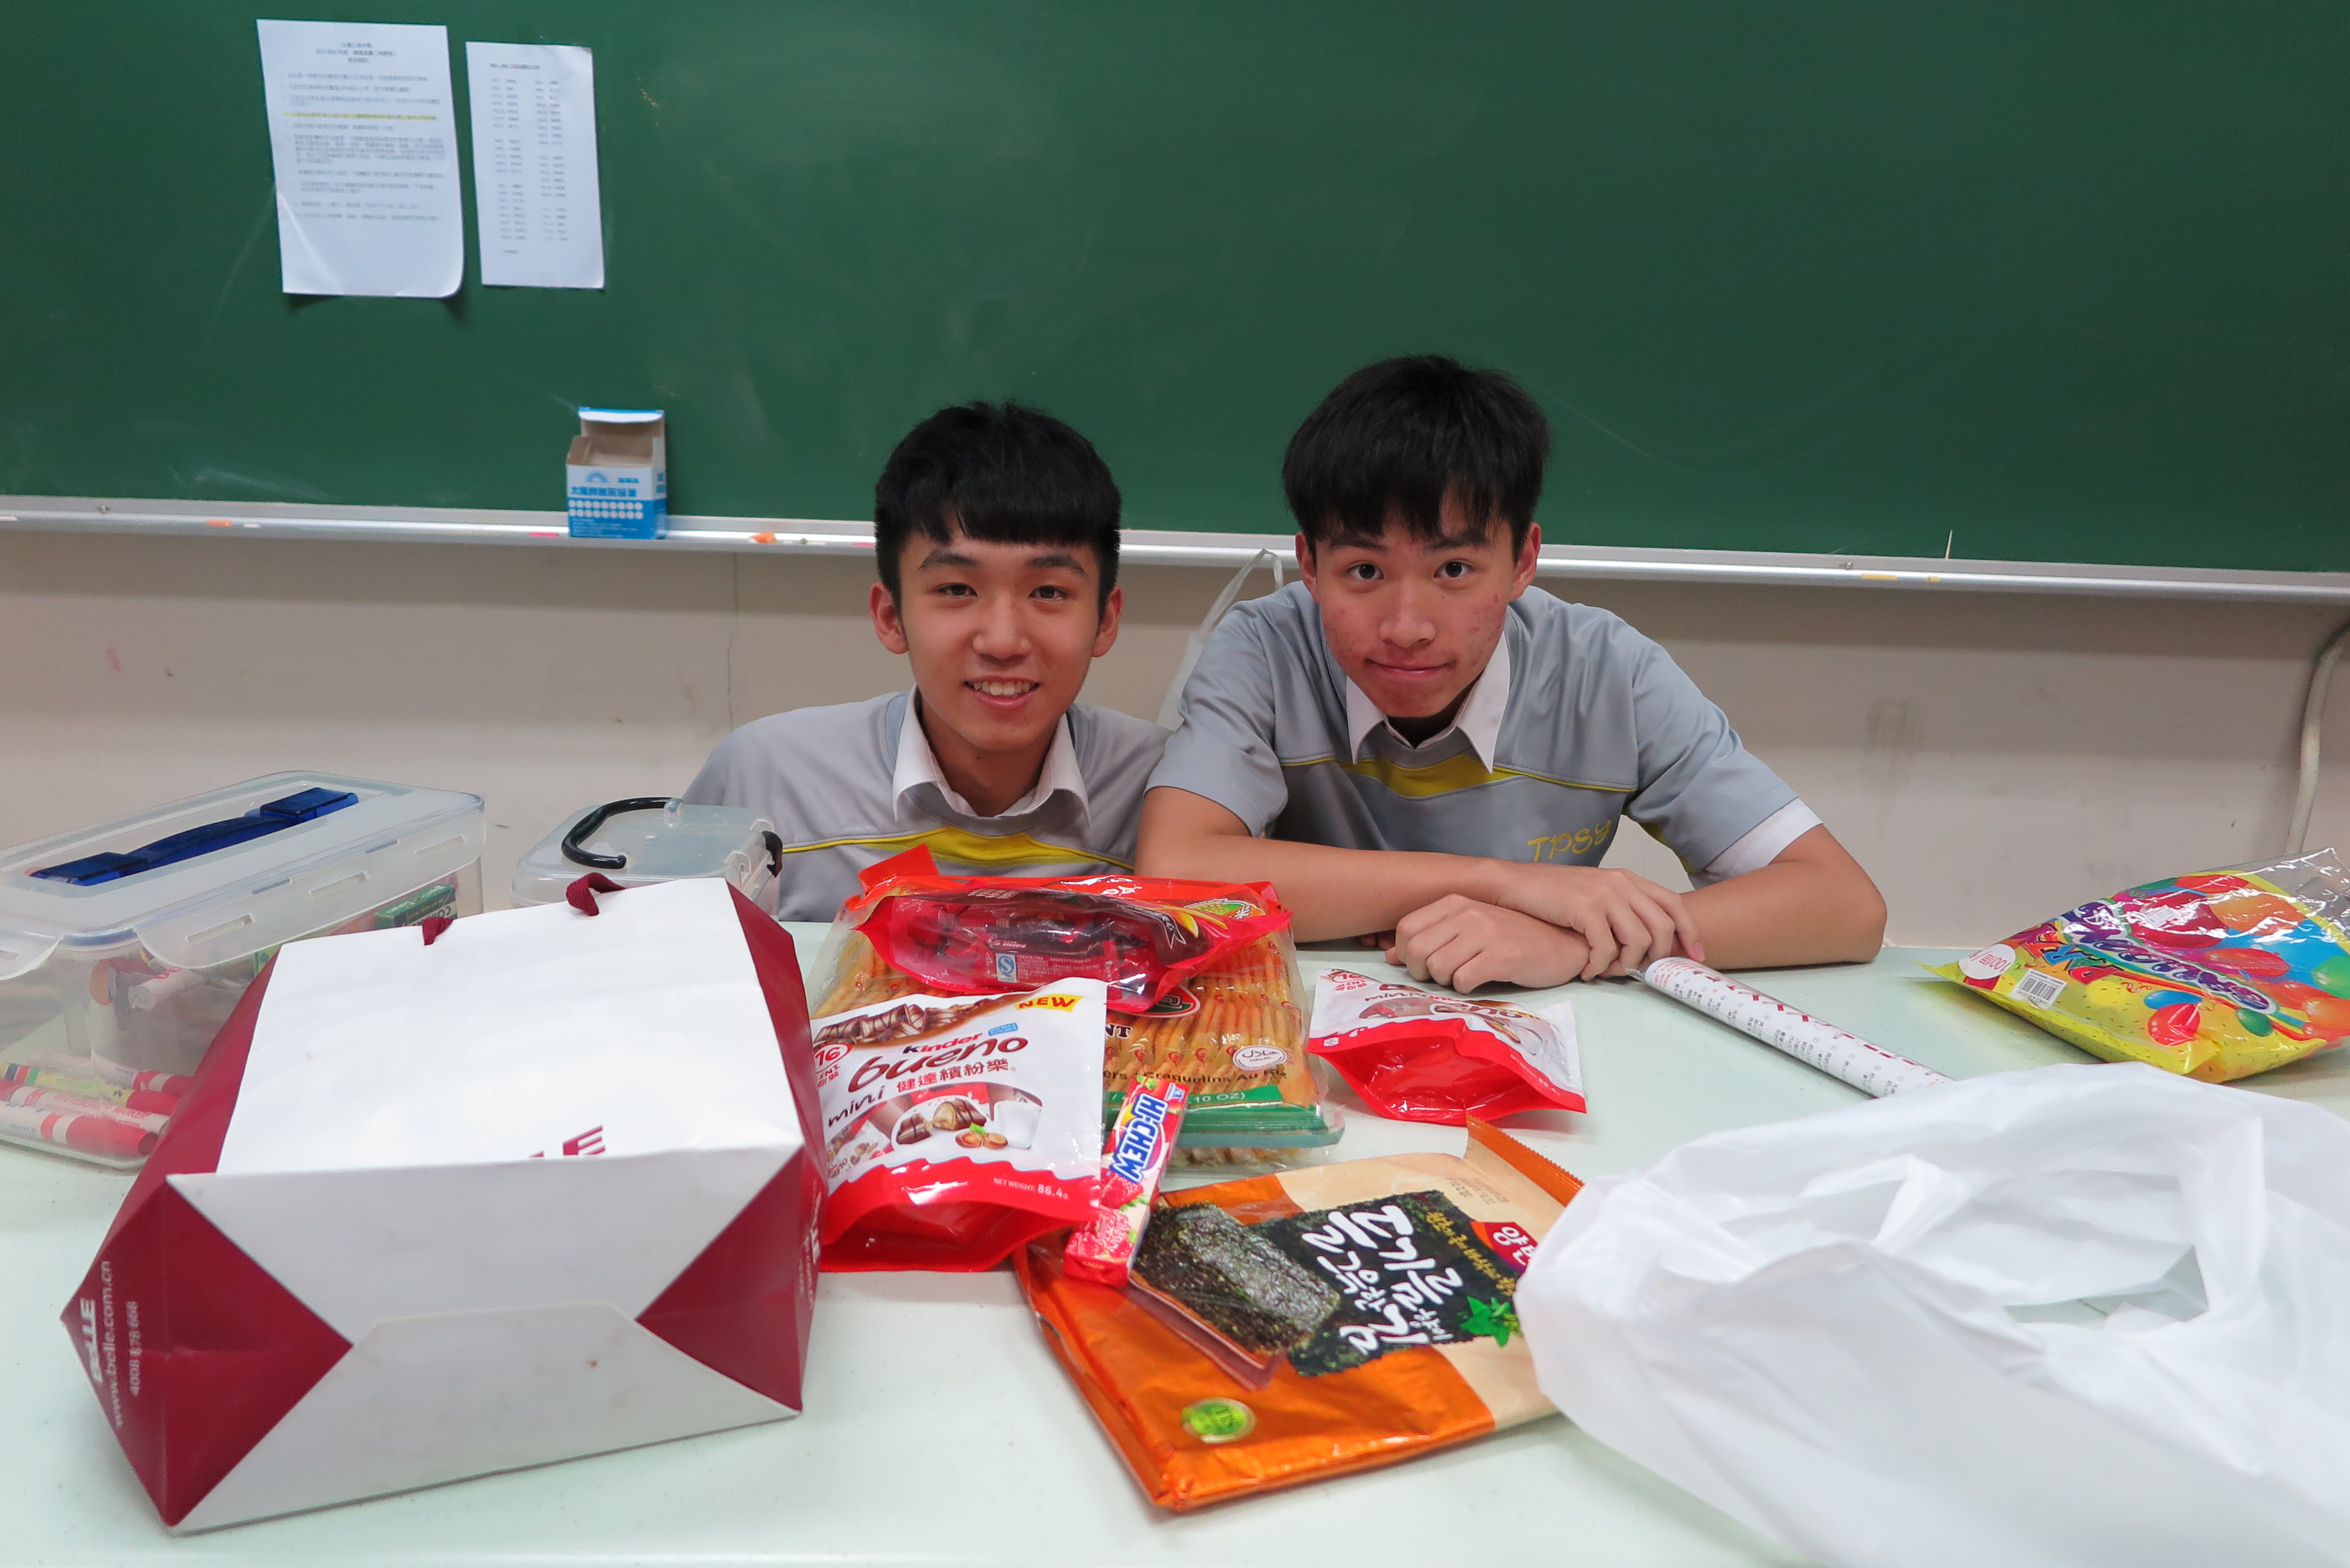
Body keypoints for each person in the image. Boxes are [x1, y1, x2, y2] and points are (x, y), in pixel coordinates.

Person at [1137, 355, 1886, 990]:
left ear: (1523, 561)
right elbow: (1175, 871)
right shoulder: (1264, 650)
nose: (1406, 626)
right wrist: (1503, 883)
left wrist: (1574, 943)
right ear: (1308, 565)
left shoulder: (1607, 672)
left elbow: (1843, 905)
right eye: (1364, 570)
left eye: (1454, 569)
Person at [685, 401, 1164, 921]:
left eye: (1048, 592)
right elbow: (670, 952)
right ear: (891, 616)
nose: (1003, 642)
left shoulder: (1166, 790)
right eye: (957, 589)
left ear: (1105, 620)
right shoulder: (767, 777)